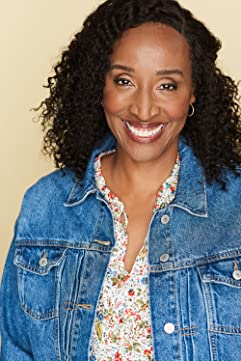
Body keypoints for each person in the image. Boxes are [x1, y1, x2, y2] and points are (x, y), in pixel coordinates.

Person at [1, 0, 241, 360]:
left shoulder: (235, 206)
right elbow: (15, 348)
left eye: (167, 86)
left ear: (193, 93)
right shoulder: (45, 206)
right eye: (124, 81)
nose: (143, 110)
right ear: (100, 84)